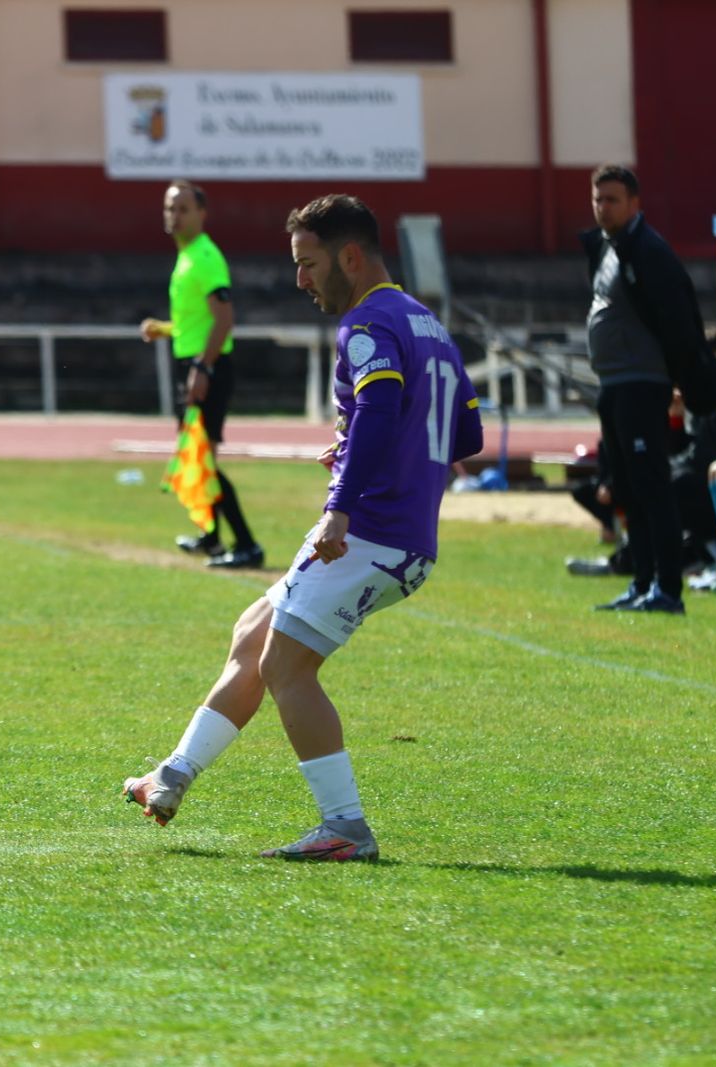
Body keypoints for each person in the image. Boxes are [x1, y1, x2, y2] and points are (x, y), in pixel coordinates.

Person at [121, 194, 483, 862]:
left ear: (351, 257)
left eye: (309, 263)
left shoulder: (366, 322)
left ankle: (345, 826)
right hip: (398, 532)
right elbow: (466, 434)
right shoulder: (428, 324)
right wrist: (361, 451)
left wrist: (343, 499)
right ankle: (170, 776)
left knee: (285, 665)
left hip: (370, 531)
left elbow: (380, 408)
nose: (300, 279)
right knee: (254, 632)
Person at [580, 164, 716, 614]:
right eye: (598, 199)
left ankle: (668, 589)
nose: (603, 208)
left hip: (642, 384)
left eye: (612, 200)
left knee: (652, 487)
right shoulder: (609, 248)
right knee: (627, 489)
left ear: (635, 203)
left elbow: (678, 320)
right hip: (614, 383)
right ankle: (641, 583)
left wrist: (679, 376)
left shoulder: (649, 250)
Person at [139, 180, 263, 568]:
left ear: (201, 214)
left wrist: (202, 368)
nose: (174, 216)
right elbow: (195, 322)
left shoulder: (205, 257)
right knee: (197, 459)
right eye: (169, 208)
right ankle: (211, 538)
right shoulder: (187, 256)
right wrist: (164, 329)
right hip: (195, 364)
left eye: (183, 209)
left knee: (203, 460)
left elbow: (223, 319)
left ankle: (247, 545)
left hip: (207, 368)